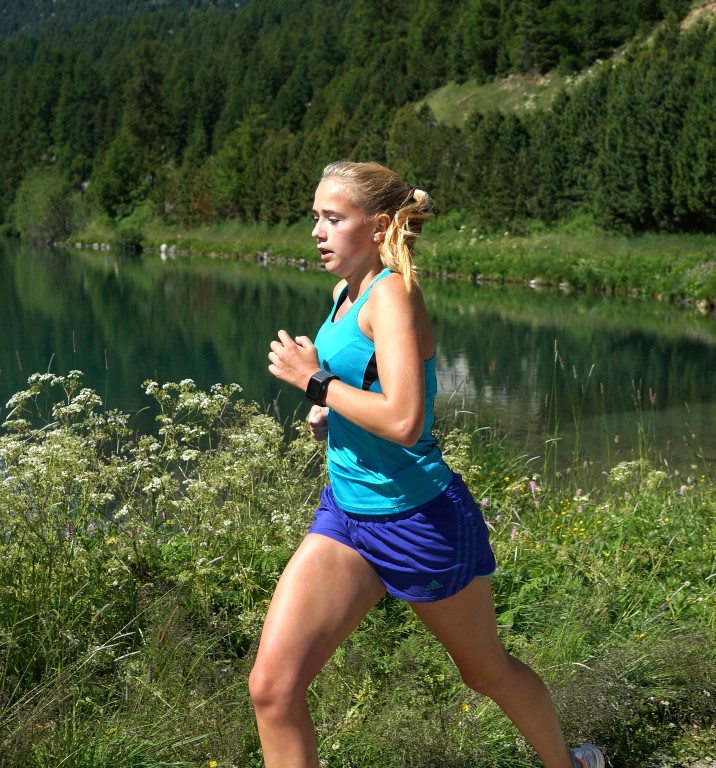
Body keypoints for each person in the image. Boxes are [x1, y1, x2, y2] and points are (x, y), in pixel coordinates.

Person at [255, 160, 605, 768]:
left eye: (333, 218)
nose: (316, 231)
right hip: (348, 515)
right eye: (315, 217)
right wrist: (331, 404)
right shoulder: (345, 290)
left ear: (378, 226)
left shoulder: (392, 294)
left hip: (418, 520)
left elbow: (404, 421)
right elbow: (368, 382)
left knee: (485, 672)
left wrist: (315, 383)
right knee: (273, 689)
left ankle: (569, 765)